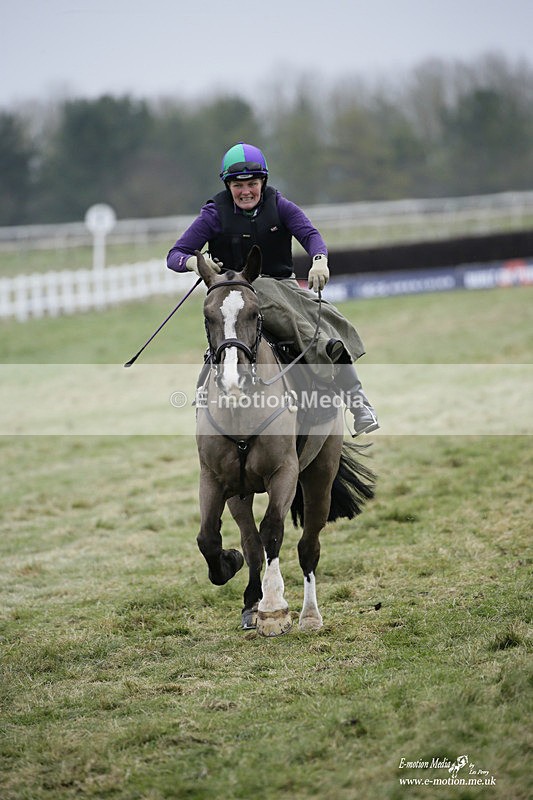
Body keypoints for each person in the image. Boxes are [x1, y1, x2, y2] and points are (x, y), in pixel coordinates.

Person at [167, 142, 378, 435]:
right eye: (238, 185)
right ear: (228, 186)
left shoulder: (279, 205)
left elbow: (310, 234)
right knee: (261, 298)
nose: (245, 192)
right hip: (235, 295)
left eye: (252, 184)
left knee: (330, 319)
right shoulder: (214, 214)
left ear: (262, 182)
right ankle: (210, 404)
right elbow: (174, 255)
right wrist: (193, 263)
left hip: (285, 287)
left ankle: (358, 401)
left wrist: (319, 260)